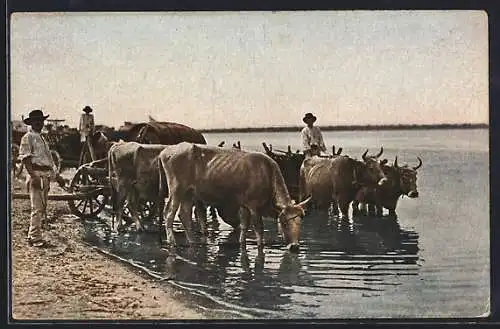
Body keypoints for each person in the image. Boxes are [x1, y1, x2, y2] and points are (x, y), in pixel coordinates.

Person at [18, 109, 66, 247]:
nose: (39, 123)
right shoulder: (28, 137)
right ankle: (35, 238)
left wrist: (57, 176)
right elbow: (26, 159)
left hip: (45, 175)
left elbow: (49, 160)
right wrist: (33, 176)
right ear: (31, 122)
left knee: (42, 206)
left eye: (41, 120)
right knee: (37, 208)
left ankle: (32, 235)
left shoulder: (42, 138)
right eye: (36, 121)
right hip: (36, 174)